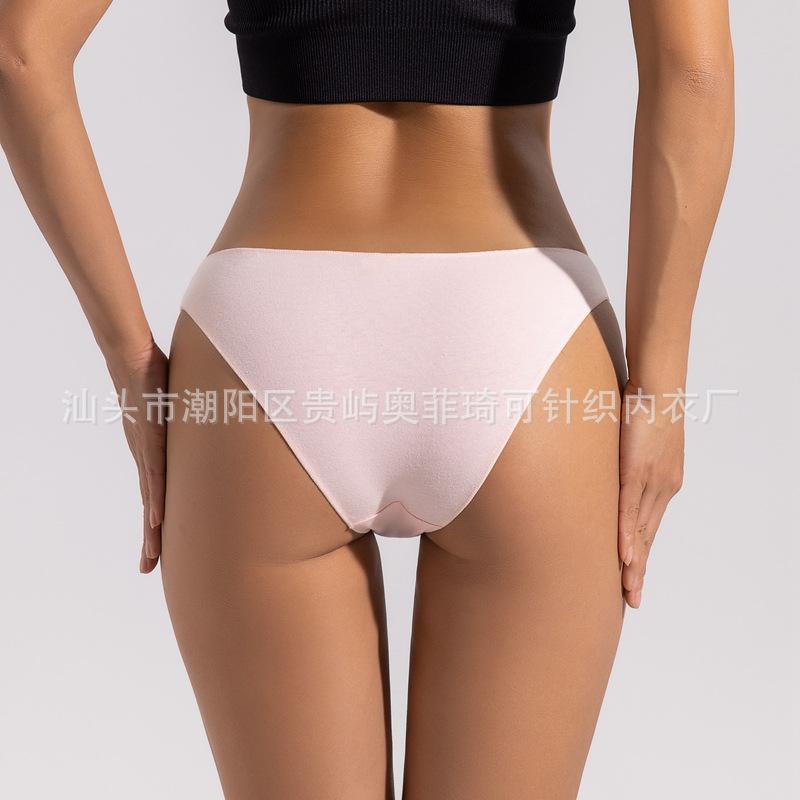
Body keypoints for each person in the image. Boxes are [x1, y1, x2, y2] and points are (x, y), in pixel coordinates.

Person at [0, 1, 734, 797]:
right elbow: (692, 70)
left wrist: (131, 361)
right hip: (523, 327)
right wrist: (660, 387)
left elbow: (21, 53)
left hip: (268, 335)